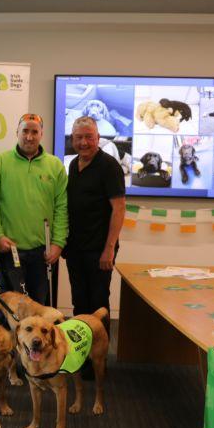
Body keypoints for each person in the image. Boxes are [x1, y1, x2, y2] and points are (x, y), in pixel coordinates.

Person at [0, 113, 68, 305]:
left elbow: (62, 208)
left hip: (43, 253)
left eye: (34, 132)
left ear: (41, 134)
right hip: (10, 250)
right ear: (16, 132)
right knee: (12, 310)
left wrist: (58, 243)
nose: (29, 136)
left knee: (40, 309)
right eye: (25, 131)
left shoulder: (55, 166)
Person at [64, 116, 126, 337]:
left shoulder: (109, 167)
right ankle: (82, 354)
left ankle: (99, 357)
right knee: (79, 302)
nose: (84, 142)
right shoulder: (73, 164)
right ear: (72, 139)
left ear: (98, 138)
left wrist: (109, 248)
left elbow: (119, 209)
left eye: (89, 137)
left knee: (98, 304)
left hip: (100, 249)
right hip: (75, 248)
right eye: (79, 138)